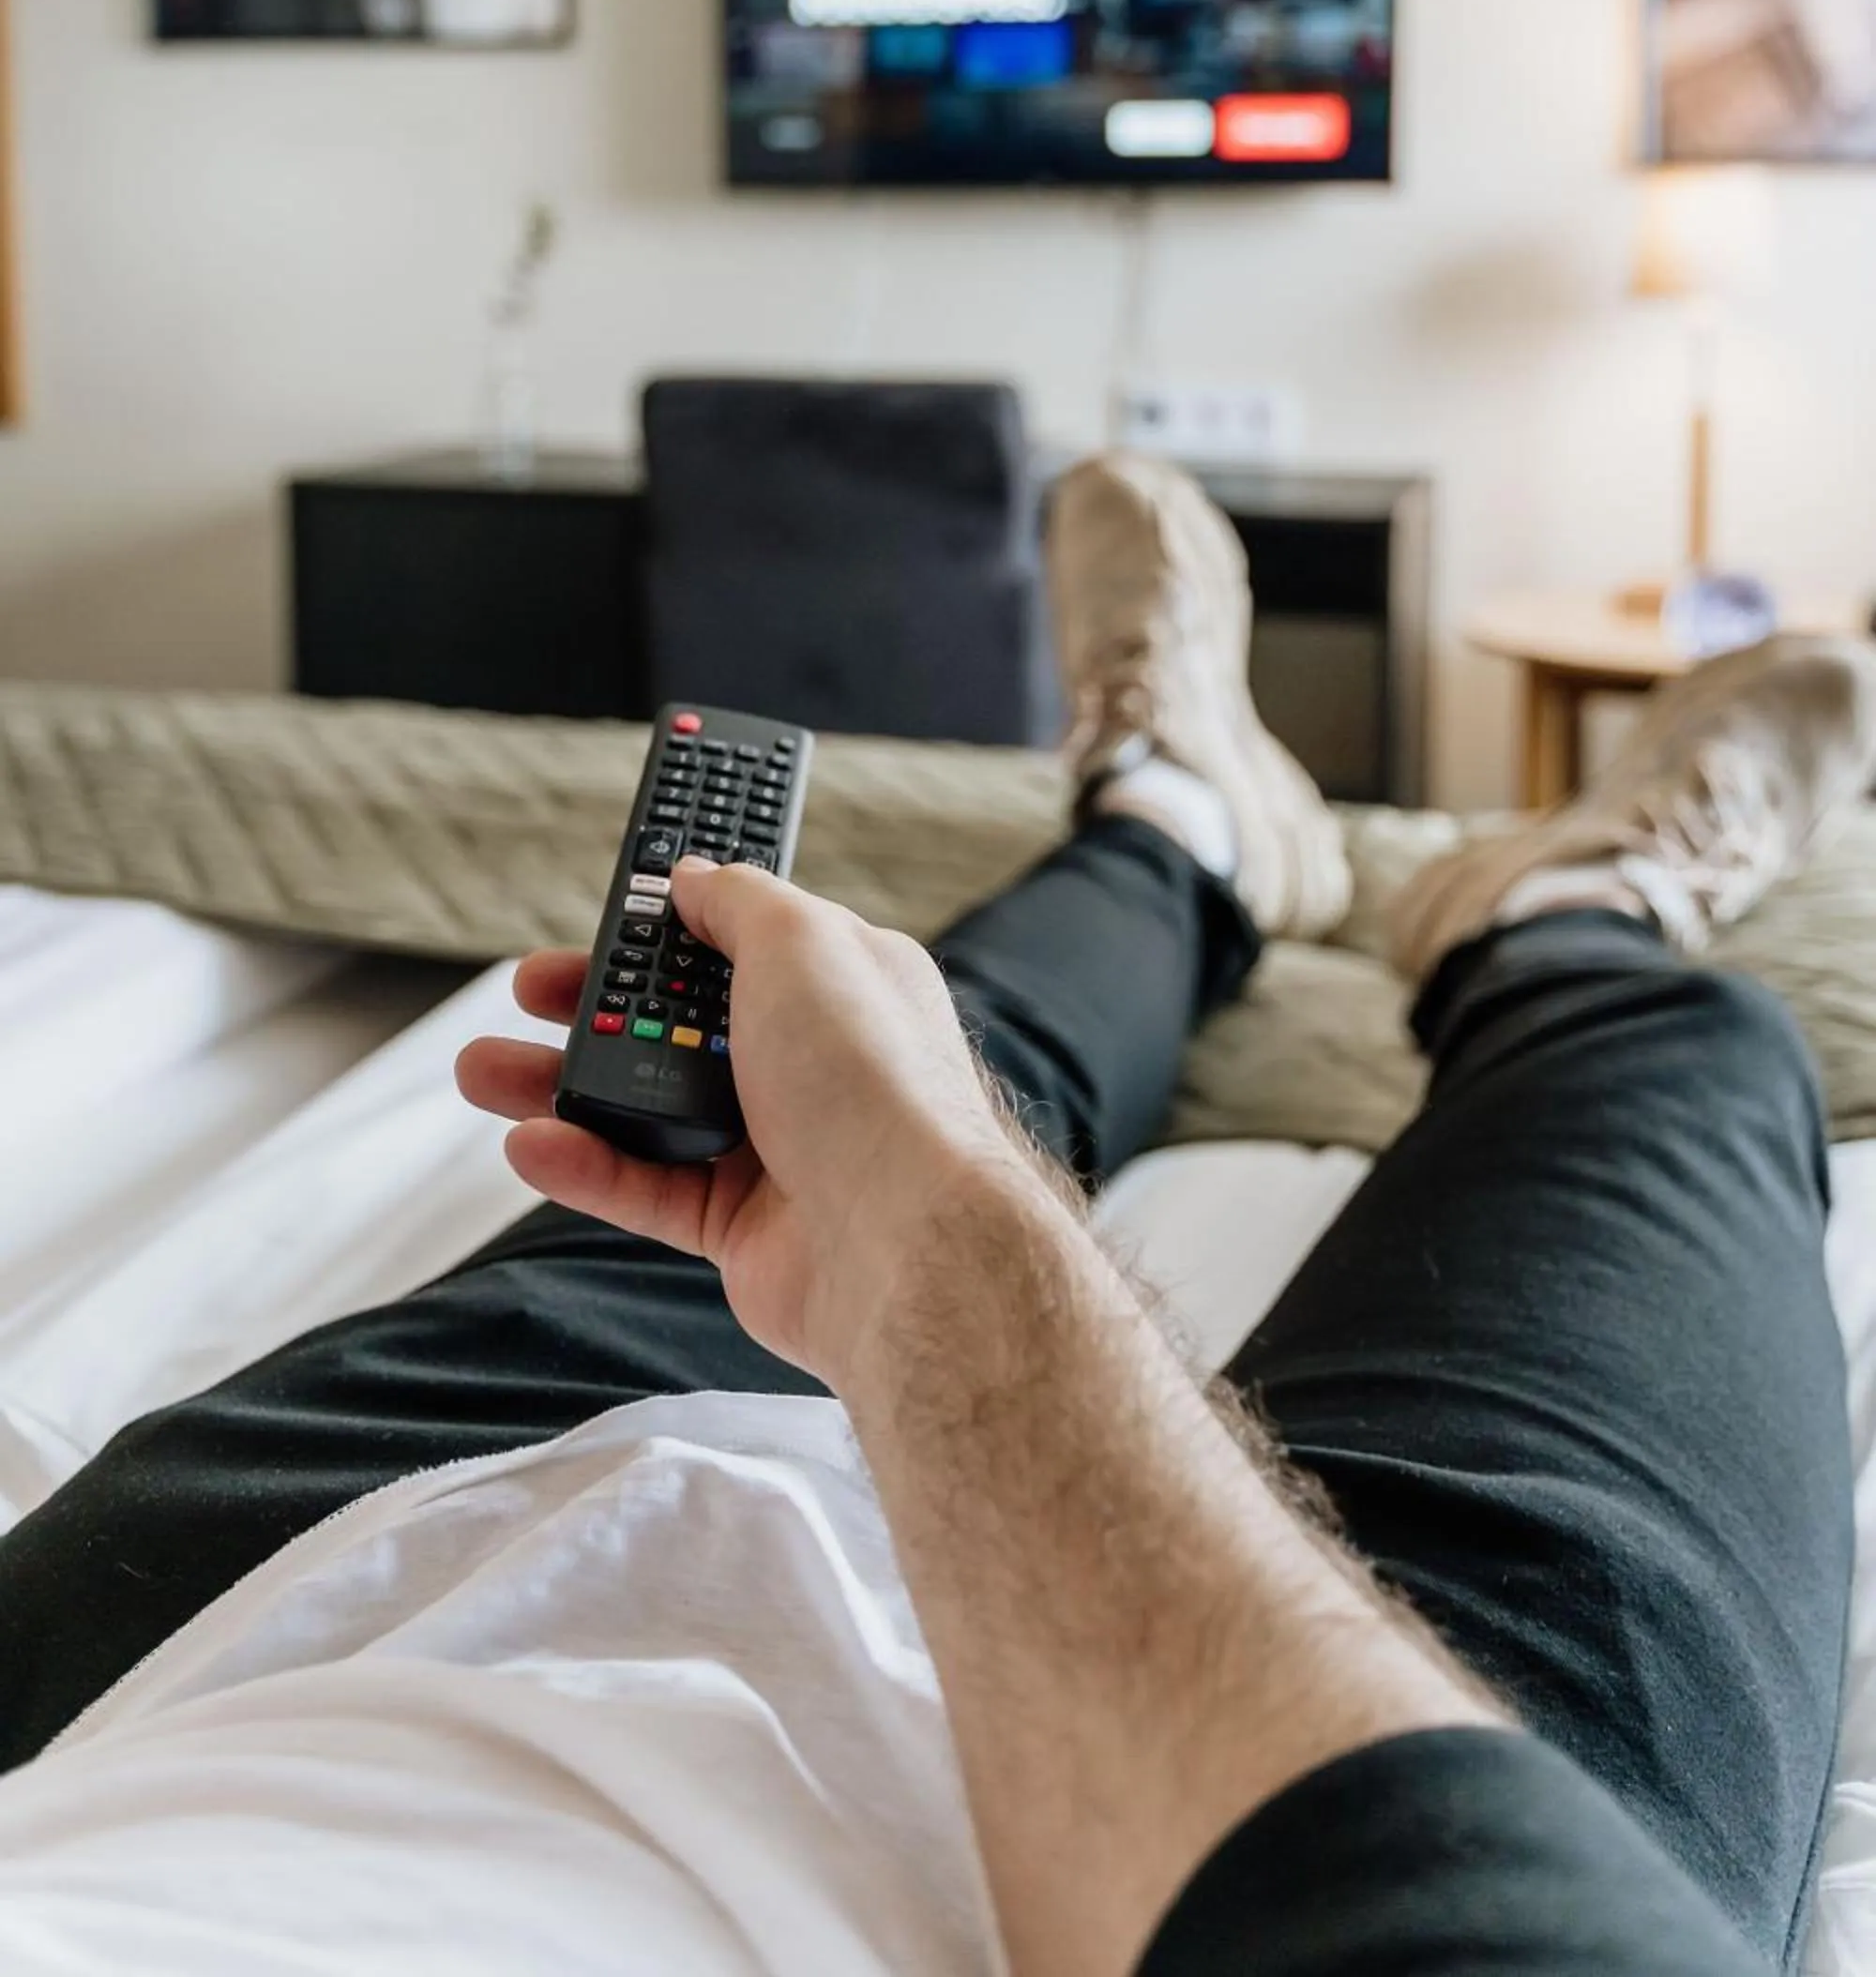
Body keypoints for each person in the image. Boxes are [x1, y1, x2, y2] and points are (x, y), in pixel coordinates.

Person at [0, 454, 1868, 1976]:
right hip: (1348, 1811)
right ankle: (1575, 921)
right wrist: (927, 1216)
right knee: (1655, 1114)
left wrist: (894, 1178)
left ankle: (1173, 830)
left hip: (208, 1677)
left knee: (800, 1089)